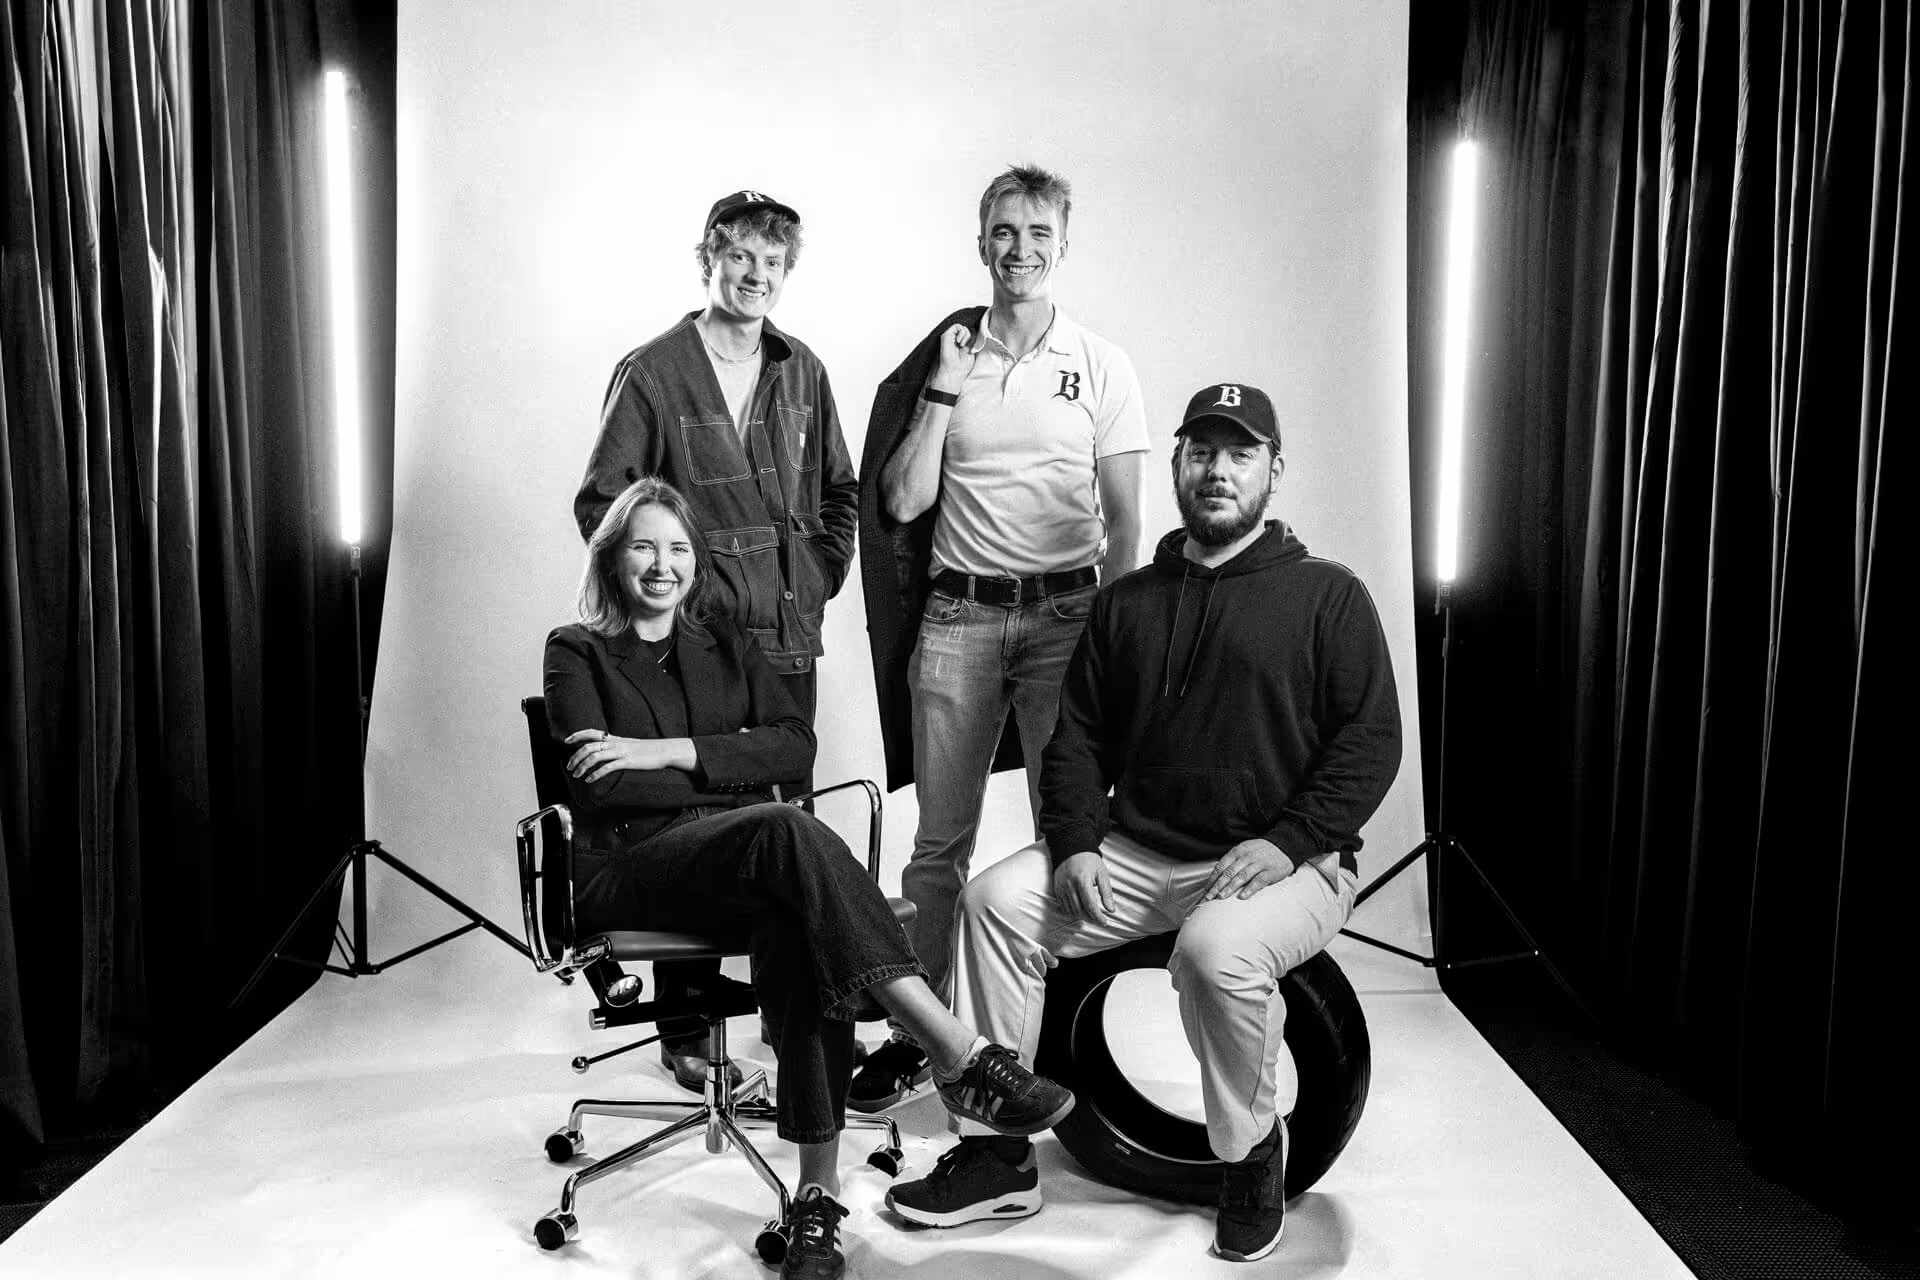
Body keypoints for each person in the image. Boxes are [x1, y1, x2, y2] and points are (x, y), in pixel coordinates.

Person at [884, 384, 1402, 1263]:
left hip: (1285, 864)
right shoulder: (1129, 601)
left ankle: (1250, 1157)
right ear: (1177, 466)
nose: (1217, 470)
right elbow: (1078, 739)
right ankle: (997, 1156)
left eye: (1239, 454)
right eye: (1201, 452)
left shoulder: (1329, 595)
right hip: (1135, 853)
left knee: (1216, 953)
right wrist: (1077, 843)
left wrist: (1286, 842)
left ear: (1275, 471)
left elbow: (1371, 740)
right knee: (993, 903)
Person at [545, 478, 1076, 1280]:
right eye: (643, 546)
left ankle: (816, 1202)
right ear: (612, 556)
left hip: (738, 870)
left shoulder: (725, 642)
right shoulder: (575, 650)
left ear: (697, 562)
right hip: (630, 871)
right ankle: (955, 1050)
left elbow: (795, 747)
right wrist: (727, 770)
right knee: (783, 826)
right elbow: (603, 787)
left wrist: (661, 753)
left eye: (679, 548)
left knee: (803, 925)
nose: (662, 565)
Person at [852, 164, 1149, 1110]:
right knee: (939, 844)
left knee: (1070, 830)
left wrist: (1113, 644)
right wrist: (942, 390)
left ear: (1065, 244)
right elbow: (903, 502)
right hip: (960, 618)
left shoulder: (1101, 364)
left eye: (1037, 232)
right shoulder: (947, 359)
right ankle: (923, 1039)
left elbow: (1126, 526)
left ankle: (1043, 1038)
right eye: (1005, 232)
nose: (1020, 249)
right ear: (981, 242)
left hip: (1066, 619)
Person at [575, 190, 858, 1091]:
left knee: (786, 825)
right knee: (689, 821)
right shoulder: (654, 371)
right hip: (690, 640)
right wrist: (677, 599)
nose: (755, 276)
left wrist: (813, 576)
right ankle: (687, 1036)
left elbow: (840, 494)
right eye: (739, 257)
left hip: (787, 640)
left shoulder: (801, 369)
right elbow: (604, 504)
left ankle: (793, 1022)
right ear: (708, 259)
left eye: (773, 263)